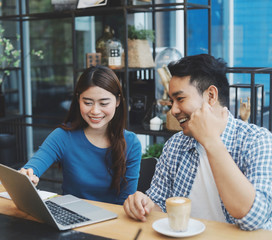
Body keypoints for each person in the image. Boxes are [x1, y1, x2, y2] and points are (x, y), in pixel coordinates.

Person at [123, 54, 272, 230]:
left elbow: (253, 218)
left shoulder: (257, 141)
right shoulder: (176, 144)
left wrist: (211, 141)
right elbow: (159, 204)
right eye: (172, 102)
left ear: (211, 96)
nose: (173, 110)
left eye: (180, 99)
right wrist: (143, 205)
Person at [20, 65, 142, 205]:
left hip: (113, 220)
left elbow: (126, 202)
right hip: (72, 217)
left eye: (103, 103)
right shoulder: (63, 136)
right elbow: (31, 168)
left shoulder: (131, 143)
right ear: (78, 100)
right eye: (88, 102)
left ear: (118, 101)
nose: (95, 111)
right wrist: (27, 176)